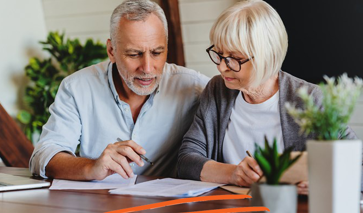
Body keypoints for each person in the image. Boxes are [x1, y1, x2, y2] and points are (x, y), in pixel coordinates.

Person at [177, 0, 359, 193]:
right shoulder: (217, 90)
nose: (222, 67)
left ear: (266, 55)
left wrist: (325, 180)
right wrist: (233, 173)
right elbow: (186, 160)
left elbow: (357, 164)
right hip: (229, 212)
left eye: (235, 59)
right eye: (219, 54)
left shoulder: (310, 100)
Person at [29, 0, 209, 180]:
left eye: (156, 53)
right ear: (111, 51)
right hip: (98, 204)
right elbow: (43, 156)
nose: (147, 68)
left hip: (166, 205)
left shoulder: (193, 87)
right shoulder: (77, 88)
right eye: (134, 54)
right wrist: (91, 167)